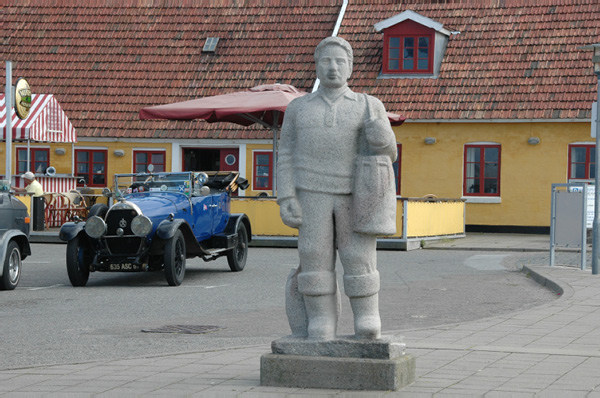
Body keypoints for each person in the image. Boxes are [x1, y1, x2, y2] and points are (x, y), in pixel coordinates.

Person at [277, 37, 397, 340]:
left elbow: (390, 153)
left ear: (351, 68)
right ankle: (321, 320)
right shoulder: (298, 108)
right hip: (310, 192)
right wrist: (286, 195)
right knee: (313, 254)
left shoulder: (369, 105)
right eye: (326, 61)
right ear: (317, 66)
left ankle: (367, 317)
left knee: (359, 257)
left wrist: (381, 136)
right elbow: (286, 153)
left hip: (356, 194)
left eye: (340, 62)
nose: (333, 68)